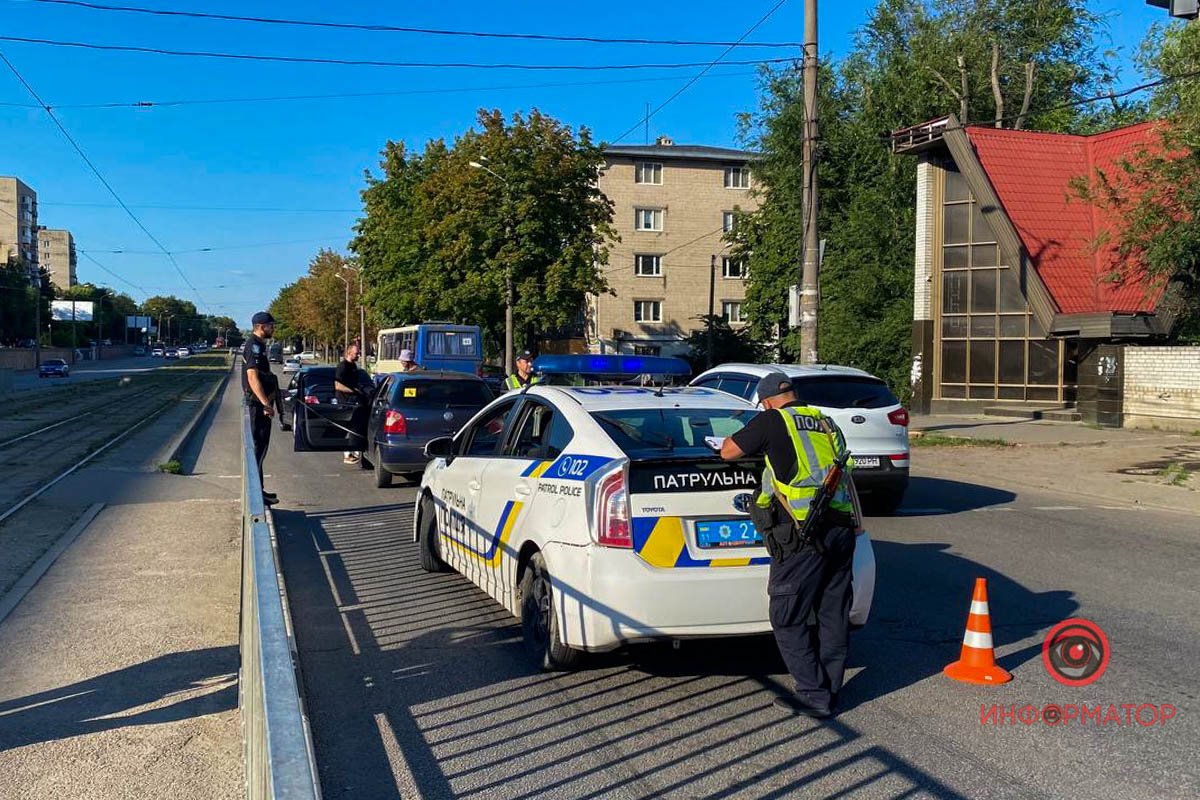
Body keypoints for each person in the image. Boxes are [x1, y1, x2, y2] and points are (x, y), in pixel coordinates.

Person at [720, 372, 860, 719]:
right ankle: (829, 690)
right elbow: (845, 468)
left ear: (766, 400)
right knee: (833, 613)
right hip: (841, 529)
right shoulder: (825, 422)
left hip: (803, 533)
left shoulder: (770, 420)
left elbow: (728, 452)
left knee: (786, 616)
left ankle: (814, 695)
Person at [242, 311, 278, 506]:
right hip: (257, 406)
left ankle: (259, 492)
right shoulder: (253, 346)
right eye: (271, 326)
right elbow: (252, 377)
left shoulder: (259, 346)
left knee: (260, 449)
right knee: (258, 448)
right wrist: (265, 402)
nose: (273, 329)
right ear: (261, 326)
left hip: (259, 404)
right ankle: (256, 495)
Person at [334, 343, 366, 464]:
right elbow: (337, 385)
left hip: (354, 401)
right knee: (348, 427)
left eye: (358, 353)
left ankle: (355, 451)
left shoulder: (353, 366)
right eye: (356, 353)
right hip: (345, 401)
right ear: (349, 353)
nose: (358, 355)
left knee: (356, 426)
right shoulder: (342, 366)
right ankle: (347, 454)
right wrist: (353, 391)